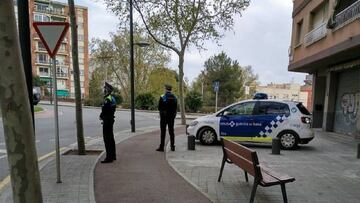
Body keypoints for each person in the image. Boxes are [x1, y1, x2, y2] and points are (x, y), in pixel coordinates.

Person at [156, 84, 177, 152]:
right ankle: (172, 146)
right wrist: (173, 116)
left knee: (163, 132)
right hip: (171, 118)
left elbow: (159, 108)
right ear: (171, 90)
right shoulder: (175, 97)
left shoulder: (162, 97)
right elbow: (176, 108)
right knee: (171, 132)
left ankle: (162, 147)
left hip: (164, 118)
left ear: (165, 89)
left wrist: (161, 114)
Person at [99, 82, 117, 163]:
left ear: (107, 90)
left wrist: (102, 116)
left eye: (105, 89)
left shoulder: (108, 99)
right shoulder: (112, 98)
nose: (104, 90)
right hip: (110, 119)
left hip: (107, 120)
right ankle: (113, 155)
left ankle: (109, 157)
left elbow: (105, 110)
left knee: (107, 139)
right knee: (111, 138)